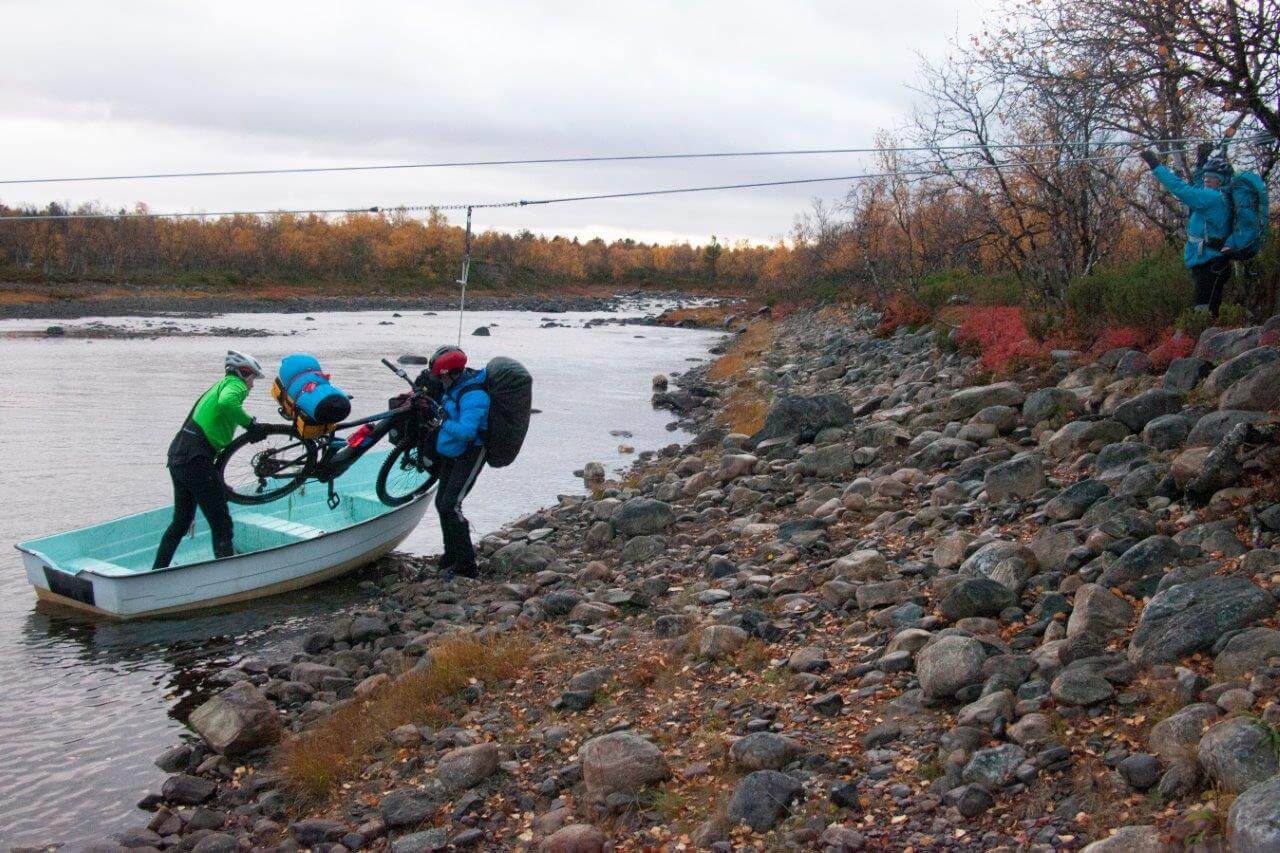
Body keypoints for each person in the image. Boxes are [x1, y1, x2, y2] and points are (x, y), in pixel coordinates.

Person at [154, 350, 267, 569]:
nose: (252, 385)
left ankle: (157, 571)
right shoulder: (236, 385)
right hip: (196, 458)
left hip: (179, 456)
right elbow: (227, 404)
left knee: (181, 522)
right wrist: (250, 425)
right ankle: (224, 574)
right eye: (252, 378)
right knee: (221, 522)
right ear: (243, 373)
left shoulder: (219, 385)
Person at [1140, 143, 1234, 318]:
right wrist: (1200, 164)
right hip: (1212, 261)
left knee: (1204, 312)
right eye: (1206, 177)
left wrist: (1156, 166)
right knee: (1209, 308)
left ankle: (1206, 342)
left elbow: (1182, 190)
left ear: (1220, 181)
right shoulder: (1217, 196)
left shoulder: (1213, 198)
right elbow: (1199, 188)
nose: (1207, 180)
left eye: (1211, 178)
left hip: (1210, 263)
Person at [420, 345, 489, 578]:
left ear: (451, 373)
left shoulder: (474, 396)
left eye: (441, 377)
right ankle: (450, 555)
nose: (440, 380)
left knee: (452, 504)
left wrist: (441, 424)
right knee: (442, 503)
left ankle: (467, 565)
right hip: (453, 452)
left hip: (470, 453)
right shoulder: (454, 386)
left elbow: (468, 432)